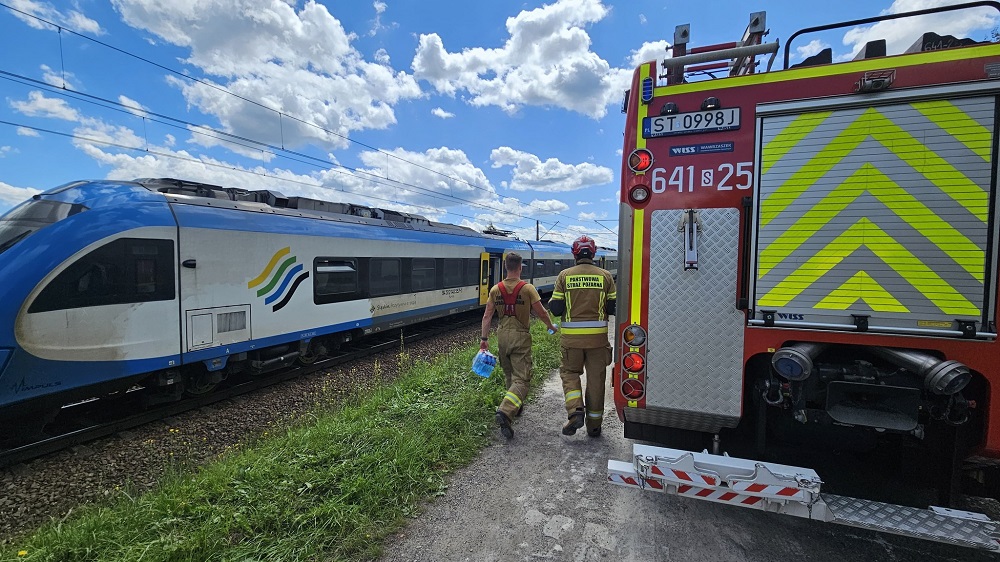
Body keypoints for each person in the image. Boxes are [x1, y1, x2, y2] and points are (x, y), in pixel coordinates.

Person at [481, 252, 558, 439]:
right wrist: (550, 326)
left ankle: (515, 408)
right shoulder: (528, 288)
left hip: (502, 336)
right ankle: (506, 410)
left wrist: (484, 339)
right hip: (520, 336)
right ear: (520, 268)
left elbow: (487, 315)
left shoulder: (495, 289)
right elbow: (541, 312)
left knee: (509, 375)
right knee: (522, 379)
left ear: (506, 267)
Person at [548, 236, 616, 437]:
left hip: (571, 341)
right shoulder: (605, 276)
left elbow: (556, 308)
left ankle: (576, 409)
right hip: (598, 341)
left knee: (569, 373)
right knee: (596, 381)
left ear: (574, 254)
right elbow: (612, 307)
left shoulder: (564, 276)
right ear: (593, 254)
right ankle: (594, 426)